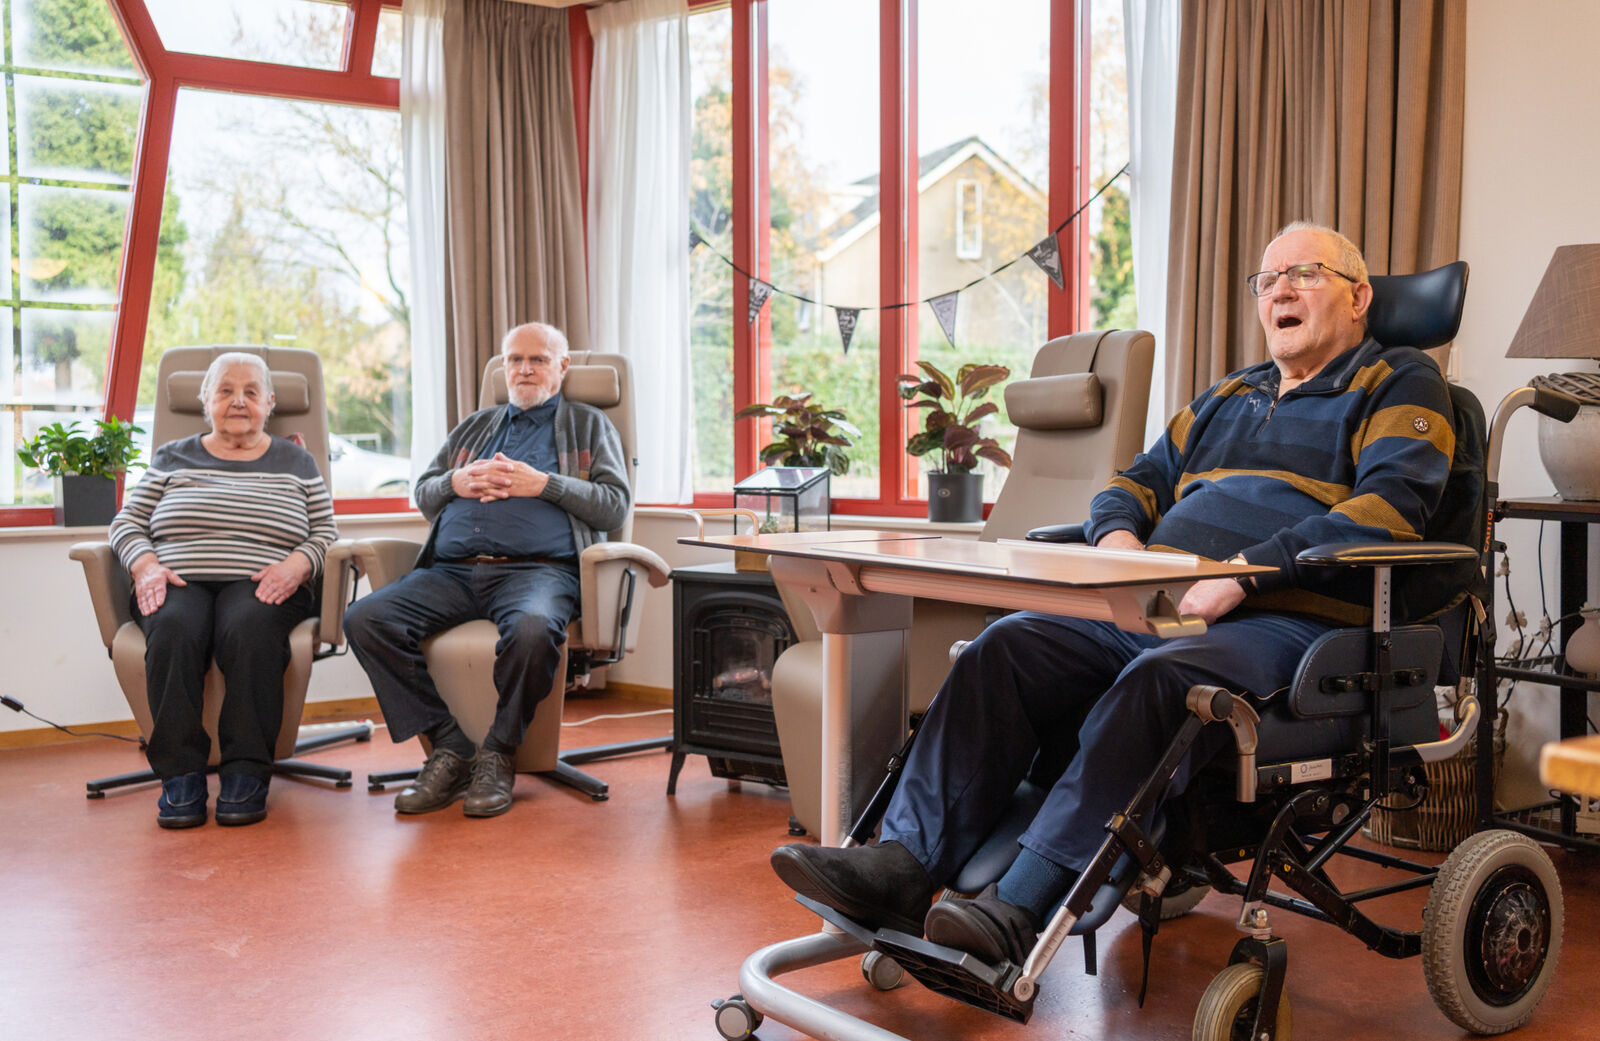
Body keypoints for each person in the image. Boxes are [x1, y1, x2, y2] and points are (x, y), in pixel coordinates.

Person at [770, 222, 1457, 965]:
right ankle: (902, 866)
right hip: (1157, 603)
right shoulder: (1229, 395)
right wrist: (1122, 547)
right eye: (1267, 279)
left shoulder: (1399, 380)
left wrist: (1240, 574)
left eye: (1306, 274)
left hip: (1292, 624)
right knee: (1008, 646)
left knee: (1161, 682)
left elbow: (1390, 508)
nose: (1280, 290)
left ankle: (1020, 902)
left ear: (1360, 296)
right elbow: (1132, 485)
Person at [344, 322, 630, 818]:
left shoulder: (588, 424)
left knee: (533, 628)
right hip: (451, 572)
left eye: (537, 359)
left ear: (562, 367)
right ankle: (450, 748)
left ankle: (499, 752)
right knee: (365, 619)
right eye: (514, 359)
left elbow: (613, 507)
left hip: (538, 572)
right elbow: (425, 493)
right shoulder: (476, 426)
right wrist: (456, 480)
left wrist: (543, 484)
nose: (523, 369)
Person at [109, 351, 337, 829]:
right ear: (204, 400)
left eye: (251, 391)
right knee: (172, 628)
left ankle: (246, 772)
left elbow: (324, 533)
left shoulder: (297, 461)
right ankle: (181, 776)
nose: (239, 401)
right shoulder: (172, 457)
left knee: (250, 628)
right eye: (225, 391)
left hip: (265, 580)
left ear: (271, 402)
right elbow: (127, 522)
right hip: (176, 577)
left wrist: (297, 565)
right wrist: (146, 565)